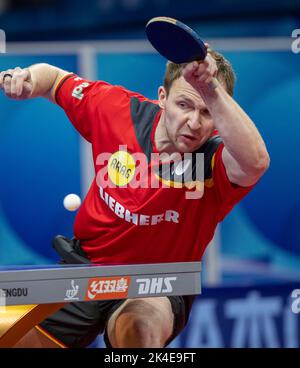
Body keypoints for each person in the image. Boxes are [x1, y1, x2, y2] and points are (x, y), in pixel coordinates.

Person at [0, 45, 270, 348]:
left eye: (207, 111)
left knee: (138, 331)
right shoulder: (116, 109)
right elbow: (54, 80)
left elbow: (256, 162)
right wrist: (28, 80)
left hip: (158, 283)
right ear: (163, 98)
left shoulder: (216, 163)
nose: (194, 123)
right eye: (184, 105)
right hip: (87, 268)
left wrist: (210, 88)